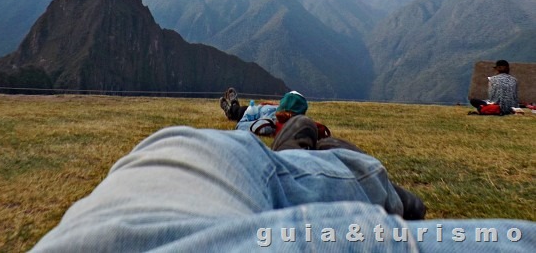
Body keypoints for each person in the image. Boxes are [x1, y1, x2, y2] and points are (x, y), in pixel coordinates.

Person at [30, 120, 534, 252]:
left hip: (119, 234)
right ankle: (378, 188)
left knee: (188, 145)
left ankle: (295, 161)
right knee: (222, 152)